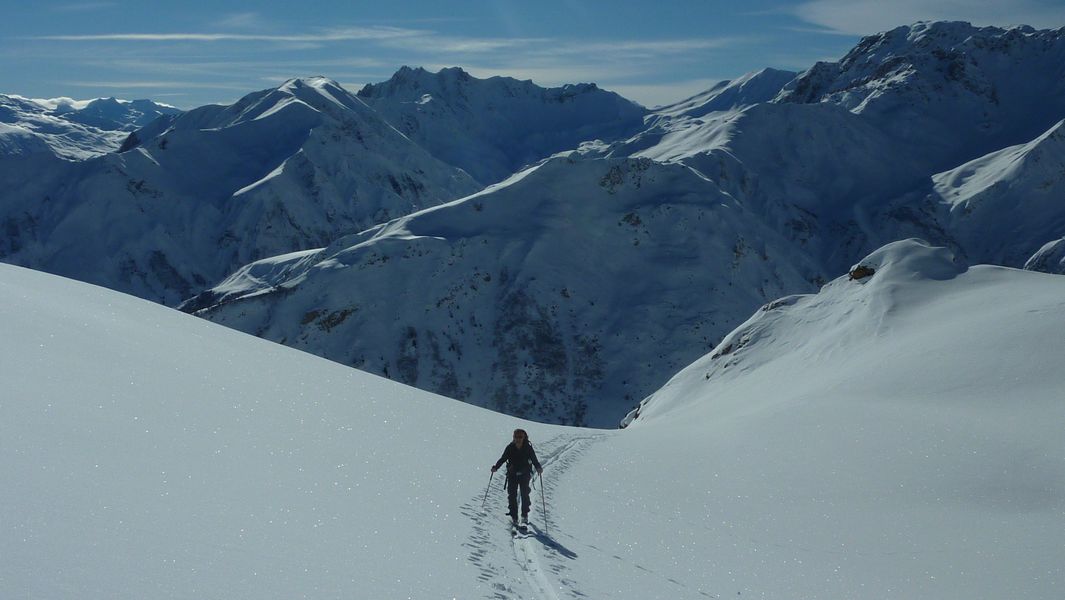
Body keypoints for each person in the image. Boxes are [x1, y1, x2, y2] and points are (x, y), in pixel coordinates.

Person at [491, 428, 543, 525]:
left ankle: (524, 515)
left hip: (524, 474)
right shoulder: (510, 447)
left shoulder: (528, 448)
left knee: (524, 495)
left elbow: (534, 459)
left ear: (524, 437)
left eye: (520, 437)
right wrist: (496, 467)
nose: (518, 439)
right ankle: (514, 516)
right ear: (513, 437)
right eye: (516, 437)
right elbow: (503, 459)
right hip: (512, 474)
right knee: (512, 496)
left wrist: (538, 467)